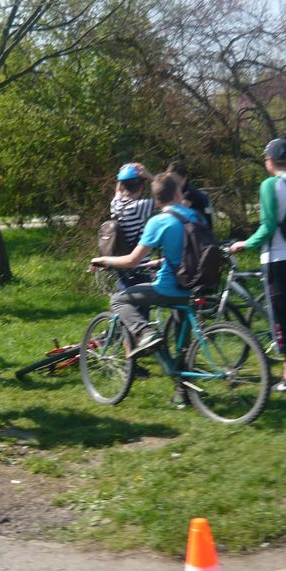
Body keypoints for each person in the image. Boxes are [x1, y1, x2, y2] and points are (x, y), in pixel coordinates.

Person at [91, 173, 202, 405]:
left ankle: (144, 333)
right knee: (181, 339)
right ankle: (182, 391)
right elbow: (188, 252)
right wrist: (159, 262)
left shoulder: (159, 221)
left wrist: (105, 260)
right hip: (194, 285)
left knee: (119, 300)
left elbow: (132, 260)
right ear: (178, 193)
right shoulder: (193, 215)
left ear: (156, 199)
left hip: (169, 288)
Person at [230, 138, 286, 392]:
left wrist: (245, 244)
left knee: (282, 317)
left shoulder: (270, 185)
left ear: (270, 161)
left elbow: (267, 227)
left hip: (278, 259)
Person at [109, 162, 155, 291]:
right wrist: (149, 176)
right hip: (139, 269)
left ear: (123, 185)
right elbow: (167, 195)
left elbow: (118, 191)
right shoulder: (139, 206)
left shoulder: (115, 204)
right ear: (141, 187)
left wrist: (122, 173)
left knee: (124, 299)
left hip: (122, 266)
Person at [166, 160, 214, 230]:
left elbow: (177, 212)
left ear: (184, 178)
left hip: (200, 232)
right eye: (169, 180)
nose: (172, 184)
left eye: (176, 181)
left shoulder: (190, 192)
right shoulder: (179, 190)